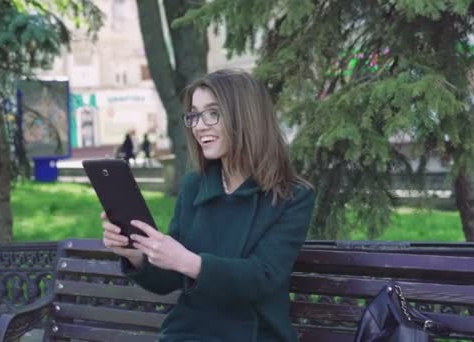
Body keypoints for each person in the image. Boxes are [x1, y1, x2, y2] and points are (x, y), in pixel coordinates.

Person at [101, 69, 315, 342]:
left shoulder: (292, 196)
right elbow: (169, 279)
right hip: (185, 334)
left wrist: (190, 262)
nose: (200, 126)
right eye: (194, 115)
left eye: (213, 113)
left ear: (246, 118)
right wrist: (136, 255)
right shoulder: (194, 186)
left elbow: (263, 276)